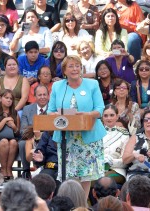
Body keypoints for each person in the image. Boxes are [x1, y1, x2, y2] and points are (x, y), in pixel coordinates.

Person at [47, 55, 106, 199]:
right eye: (71, 66)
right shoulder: (57, 86)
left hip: (88, 136)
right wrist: (54, 115)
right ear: (64, 71)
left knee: (86, 175)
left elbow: (100, 109)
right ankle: (71, 204)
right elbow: (50, 110)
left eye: (77, 65)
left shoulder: (92, 84)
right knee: (69, 174)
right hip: (67, 138)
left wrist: (87, 114)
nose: (75, 69)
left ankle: (83, 205)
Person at [123, 110, 150, 185]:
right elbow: (125, 160)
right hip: (138, 174)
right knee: (137, 184)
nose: (148, 121)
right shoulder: (135, 138)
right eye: (146, 119)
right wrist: (134, 155)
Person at [19, 85, 49, 179]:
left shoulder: (53, 109)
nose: (42, 97)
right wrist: (35, 135)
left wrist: (40, 134)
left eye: (45, 94)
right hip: (31, 139)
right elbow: (23, 130)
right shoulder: (27, 109)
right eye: (40, 95)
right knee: (22, 143)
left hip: (48, 138)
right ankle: (26, 171)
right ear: (35, 96)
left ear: (48, 96)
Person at [0, 89, 20, 179]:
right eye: (6, 97)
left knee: (13, 142)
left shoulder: (15, 113)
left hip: (12, 139)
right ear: (0, 98)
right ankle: (3, 169)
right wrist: (5, 120)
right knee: (4, 141)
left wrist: (13, 126)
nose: (9, 100)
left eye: (11, 98)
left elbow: (18, 133)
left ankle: (9, 169)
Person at [102, 105, 129, 182]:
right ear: (102, 117)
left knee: (103, 180)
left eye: (112, 115)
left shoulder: (124, 135)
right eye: (106, 116)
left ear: (117, 117)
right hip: (97, 169)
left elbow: (125, 161)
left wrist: (111, 162)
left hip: (117, 170)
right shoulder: (96, 133)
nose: (109, 118)